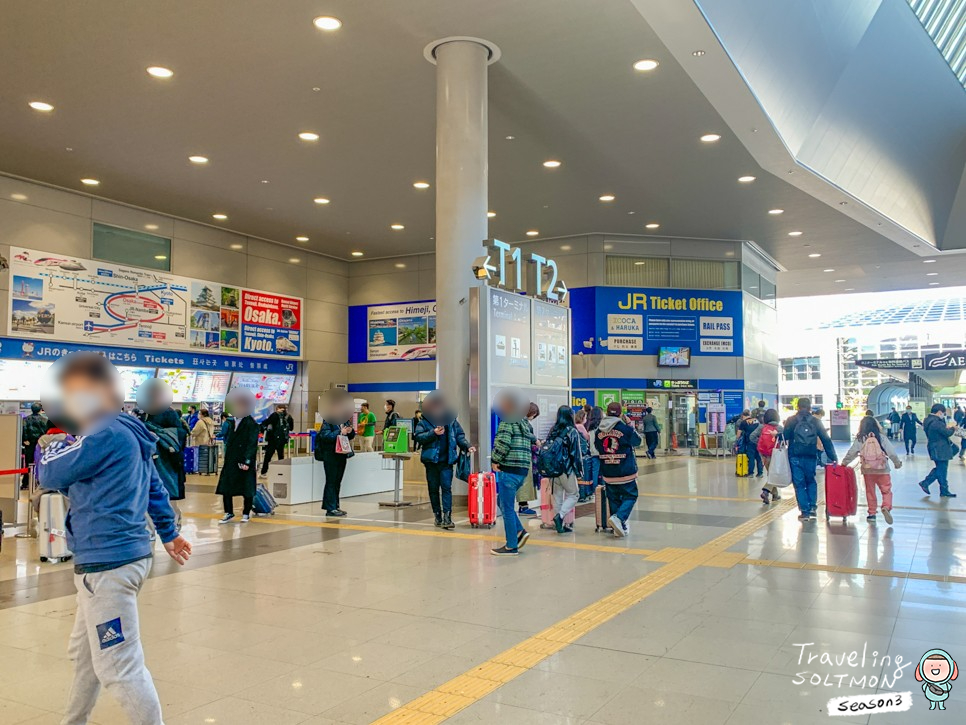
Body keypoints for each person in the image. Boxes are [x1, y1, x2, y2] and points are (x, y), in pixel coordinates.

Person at [36, 353, 191, 725]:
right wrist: (169, 535)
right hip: (125, 557)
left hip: (108, 565)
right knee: (86, 655)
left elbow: (51, 473)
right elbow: (155, 488)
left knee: (118, 665)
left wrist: (48, 445)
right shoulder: (129, 431)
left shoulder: (103, 432)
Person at [413, 395, 474, 529]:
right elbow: (418, 437)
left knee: (446, 488)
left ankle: (447, 517)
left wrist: (467, 445)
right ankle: (437, 516)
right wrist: (433, 433)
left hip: (447, 461)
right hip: (431, 461)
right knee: (433, 489)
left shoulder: (451, 420)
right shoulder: (425, 421)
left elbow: (459, 436)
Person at [490, 397, 536, 556]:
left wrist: (495, 460)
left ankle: (511, 546)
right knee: (501, 501)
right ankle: (519, 532)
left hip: (509, 469)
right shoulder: (523, 423)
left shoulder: (507, 421)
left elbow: (503, 443)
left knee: (507, 508)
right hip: (522, 470)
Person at [842, 415, 902, 524]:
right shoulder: (881, 437)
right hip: (882, 468)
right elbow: (891, 452)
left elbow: (852, 452)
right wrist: (897, 463)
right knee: (886, 490)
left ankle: (872, 513)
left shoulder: (861, 438)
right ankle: (886, 507)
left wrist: (844, 463)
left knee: (870, 492)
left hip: (868, 470)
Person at [595, 401, 642, 537]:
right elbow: (637, 441)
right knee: (631, 495)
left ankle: (618, 527)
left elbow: (597, 447)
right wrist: (629, 424)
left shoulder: (599, 431)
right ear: (621, 413)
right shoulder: (625, 429)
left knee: (613, 498)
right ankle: (619, 518)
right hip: (625, 470)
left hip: (608, 472)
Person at [784, 398, 837, 521]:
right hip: (811, 455)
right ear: (809, 408)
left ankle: (805, 512)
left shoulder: (791, 420)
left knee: (799, 484)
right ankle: (813, 507)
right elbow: (826, 439)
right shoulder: (815, 421)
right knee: (811, 481)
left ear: (797, 407)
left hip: (795, 456)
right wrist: (833, 457)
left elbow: (785, 436)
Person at [216, 392, 260, 523]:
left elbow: (252, 443)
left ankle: (246, 512)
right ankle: (228, 512)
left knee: (247, 487)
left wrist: (247, 460)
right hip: (231, 459)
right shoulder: (231, 422)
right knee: (226, 486)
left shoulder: (250, 423)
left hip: (244, 460)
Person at [542, 406, 584, 534]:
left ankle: (560, 525)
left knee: (557, 497)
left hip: (553, 469)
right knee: (574, 494)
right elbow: (576, 453)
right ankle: (560, 517)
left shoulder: (553, 430)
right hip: (567, 469)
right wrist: (579, 472)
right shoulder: (572, 431)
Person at [316, 414, 355, 517]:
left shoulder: (345, 421)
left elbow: (350, 436)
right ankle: (330, 508)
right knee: (331, 481)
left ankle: (335, 505)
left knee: (337, 481)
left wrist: (351, 432)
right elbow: (325, 436)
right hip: (331, 455)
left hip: (341, 454)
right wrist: (339, 432)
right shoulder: (328, 421)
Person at [920, 403, 958, 498]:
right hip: (940, 449)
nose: (943, 415)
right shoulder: (936, 422)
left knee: (941, 469)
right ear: (939, 412)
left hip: (935, 448)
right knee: (942, 469)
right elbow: (947, 433)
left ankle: (943, 490)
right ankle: (926, 482)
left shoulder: (928, 420)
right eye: (943, 413)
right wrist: (953, 428)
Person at [517, 402, 541, 517]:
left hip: (523, 455)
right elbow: (527, 434)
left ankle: (524, 506)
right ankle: (523, 507)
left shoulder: (518, 420)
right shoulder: (522, 422)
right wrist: (536, 440)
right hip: (524, 456)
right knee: (525, 481)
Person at [757, 409, 784, 504]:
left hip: (764, 455)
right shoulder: (779, 428)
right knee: (774, 474)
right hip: (776, 454)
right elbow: (784, 439)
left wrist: (760, 446)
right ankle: (765, 491)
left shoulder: (762, 427)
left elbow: (752, 436)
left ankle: (775, 495)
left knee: (771, 474)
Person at [259, 404, 294, 476]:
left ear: (277, 408)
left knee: (268, 456)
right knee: (281, 456)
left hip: (273, 439)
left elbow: (265, 423)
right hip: (282, 440)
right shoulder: (288, 416)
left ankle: (264, 472)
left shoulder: (274, 415)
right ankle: (281, 472)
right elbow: (291, 428)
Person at [21, 402, 47, 488]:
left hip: (30, 444)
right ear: (40, 410)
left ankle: (26, 483)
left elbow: (23, 431)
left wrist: (24, 440)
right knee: (41, 462)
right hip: (41, 444)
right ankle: (40, 482)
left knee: (28, 463)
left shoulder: (26, 419)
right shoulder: (44, 420)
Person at [574, 408, 593, 502]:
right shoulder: (580, 426)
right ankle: (584, 492)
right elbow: (587, 437)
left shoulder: (574, 426)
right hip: (583, 452)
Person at [738, 409, 764, 478]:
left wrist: (737, 439)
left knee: (751, 457)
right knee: (758, 457)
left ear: (743, 416)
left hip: (749, 441)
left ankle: (751, 473)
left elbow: (739, 433)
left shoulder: (743, 422)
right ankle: (760, 473)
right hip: (757, 441)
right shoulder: (756, 421)